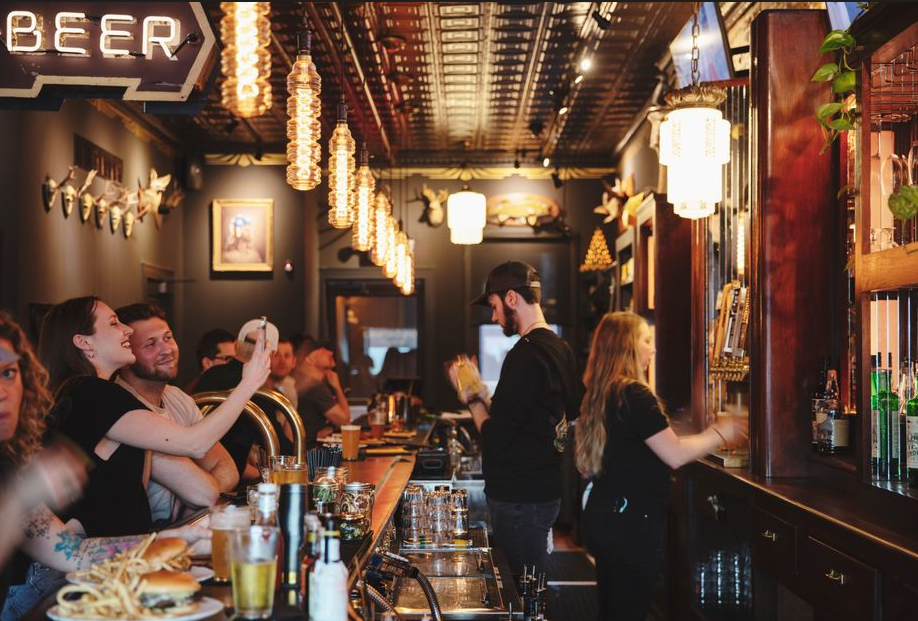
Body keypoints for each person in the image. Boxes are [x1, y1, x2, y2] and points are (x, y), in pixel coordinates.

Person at [0, 312, 208, 620]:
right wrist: (21, 497)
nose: (3, 393)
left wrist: (172, 541)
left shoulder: (10, 462)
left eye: (8, 373)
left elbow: (73, 552)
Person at [37, 296, 270, 537]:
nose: (127, 331)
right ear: (83, 342)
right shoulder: (91, 392)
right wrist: (249, 382)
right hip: (93, 564)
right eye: (114, 324)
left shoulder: (88, 392)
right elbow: (195, 443)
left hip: (119, 554)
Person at [575, 312, 748, 621]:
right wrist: (722, 432)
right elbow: (675, 454)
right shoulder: (634, 393)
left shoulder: (604, 391)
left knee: (613, 609)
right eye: (646, 341)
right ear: (627, 346)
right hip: (629, 526)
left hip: (605, 516)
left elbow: (640, 444)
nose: (653, 349)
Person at [448, 261, 583, 577]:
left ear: (511, 298)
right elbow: (537, 415)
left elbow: (495, 436)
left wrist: (469, 397)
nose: (493, 317)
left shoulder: (524, 355)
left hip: (519, 499)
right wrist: (483, 392)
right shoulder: (559, 349)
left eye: (494, 307)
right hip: (543, 492)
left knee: (524, 593)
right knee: (533, 586)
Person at [114, 303, 239, 527]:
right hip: (146, 541)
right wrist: (200, 493)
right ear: (126, 356)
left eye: (168, 338)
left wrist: (192, 504)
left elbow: (228, 468)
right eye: (151, 344)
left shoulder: (177, 397)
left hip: (188, 528)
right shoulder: (123, 408)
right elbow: (204, 493)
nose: (166, 349)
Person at [193, 319, 293, 480]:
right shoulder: (254, 388)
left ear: (236, 345)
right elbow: (282, 449)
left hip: (193, 467)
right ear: (271, 355)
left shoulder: (211, 374)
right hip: (223, 479)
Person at [292, 335, 350, 448]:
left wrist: (330, 427)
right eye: (322, 350)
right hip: (308, 452)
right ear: (309, 359)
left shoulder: (309, 384)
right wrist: (338, 388)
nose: (329, 352)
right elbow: (345, 422)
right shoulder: (316, 387)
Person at [184, 328, 236, 394]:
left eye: (235, 360)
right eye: (229, 359)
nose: (234, 365)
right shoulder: (189, 396)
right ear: (207, 363)